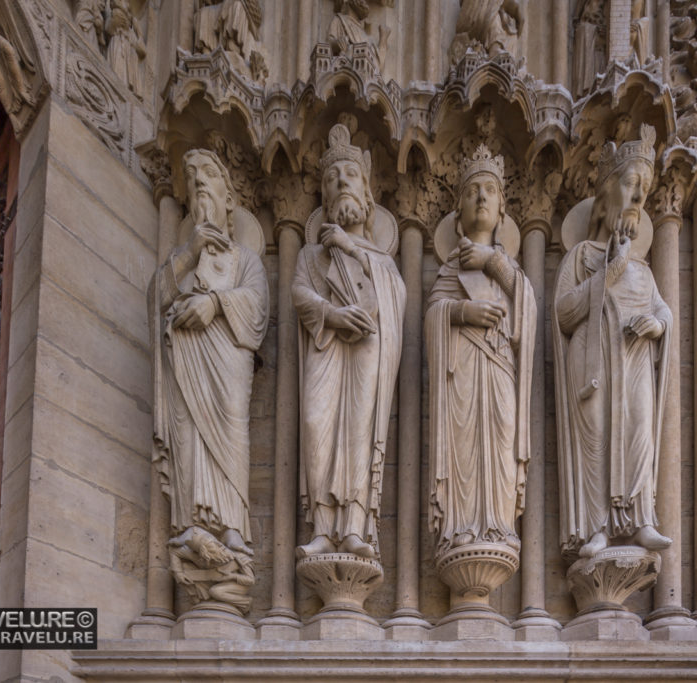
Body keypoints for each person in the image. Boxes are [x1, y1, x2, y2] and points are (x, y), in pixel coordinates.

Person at [149, 149, 269, 602]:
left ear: (228, 198)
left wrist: (215, 304)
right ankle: (194, 525)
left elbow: (257, 309)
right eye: (191, 181)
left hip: (227, 366)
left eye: (209, 180)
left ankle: (232, 530)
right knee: (188, 440)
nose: (199, 186)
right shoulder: (181, 257)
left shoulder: (246, 259)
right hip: (187, 364)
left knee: (231, 432)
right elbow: (155, 299)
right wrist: (188, 258)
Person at [553, 125, 673, 559]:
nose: (639, 196)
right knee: (597, 440)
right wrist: (612, 270)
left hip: (636, 365)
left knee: (640, 430)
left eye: (644, 187)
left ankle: (640, 521)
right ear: (605, 198)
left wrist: (657, 327)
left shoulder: (644, 270)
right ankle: (597, 527)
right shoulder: (580, 257)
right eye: (630, 184)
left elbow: (664, 311)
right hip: (593, 368)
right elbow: (564, 313)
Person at [293, 124, 404, 560]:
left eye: (350, 175)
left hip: (367, 350)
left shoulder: (379, 256)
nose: (341, 180)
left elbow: (394, 296)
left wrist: (352, 248)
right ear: (323, 195)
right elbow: (299, 293)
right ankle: (323, 526)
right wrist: (334, 315)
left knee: (359, 429)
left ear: (366, 192)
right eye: (332, 176)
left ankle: (355, 525)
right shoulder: (308, 254)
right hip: (326, 345)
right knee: (315, 423)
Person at [425, 145, 535, 556]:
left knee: (502, 441)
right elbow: (432, 314)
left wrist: (493, 262)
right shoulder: (449, 268)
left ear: (503, 210)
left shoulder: (508, 267)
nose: (482, 197)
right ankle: (463, 527)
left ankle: (500, 524)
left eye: (490, 189)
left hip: (500, 369)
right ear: (457, 213)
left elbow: (528, 312)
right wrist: (462, 311)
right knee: (464, 449)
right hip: (462, 371)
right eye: (473, 191)